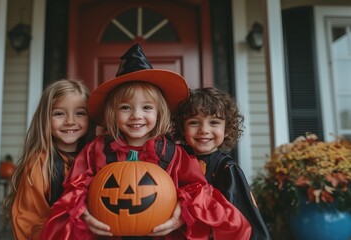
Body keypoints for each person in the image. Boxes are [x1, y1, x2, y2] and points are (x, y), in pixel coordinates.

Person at [41, 44, 251, 240]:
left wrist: (183, 214)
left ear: (159, 112)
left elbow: (195, 188)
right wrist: (83, 213)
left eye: (146, 108)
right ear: (112, 113)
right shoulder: (97, 149)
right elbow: (76, 188)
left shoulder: (172, 153)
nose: (136, 116)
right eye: (126, 108)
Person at [172, 87, 271, 240]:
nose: (204, 130)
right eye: (194, 122)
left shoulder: (227, 169)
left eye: (214, 122)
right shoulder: (175, 160)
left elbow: (241, 218)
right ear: (182, 128)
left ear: (226, 130)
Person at [2, 79, 96, 240]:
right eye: (59, 113)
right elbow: (29, 220)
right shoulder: (40, 164)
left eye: (80, 113)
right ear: (45, 118)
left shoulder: (97, 156)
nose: (70, 121)